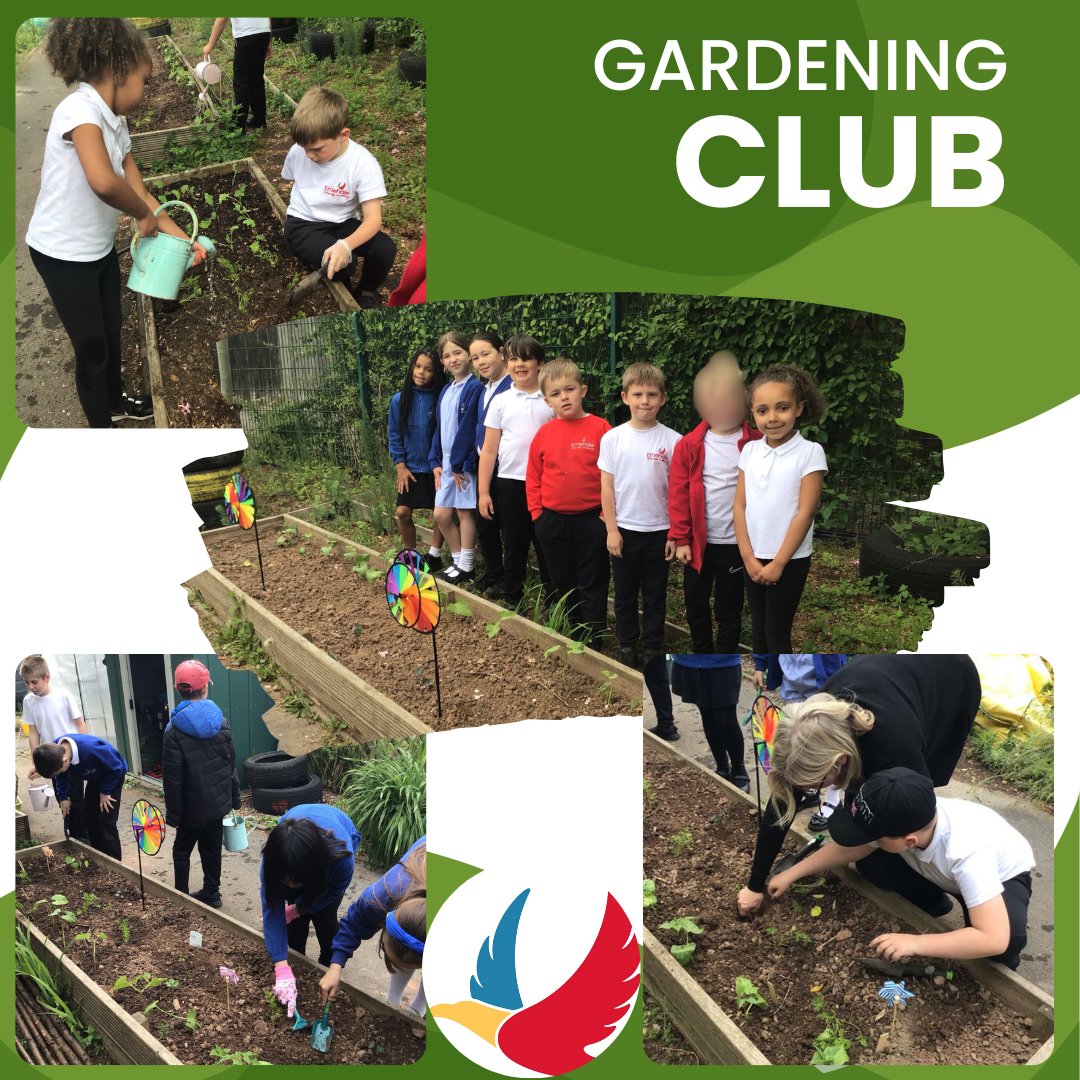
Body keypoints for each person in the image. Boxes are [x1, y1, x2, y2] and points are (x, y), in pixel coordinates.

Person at [25, 18, 208, 427]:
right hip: (59, 254)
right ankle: (102, 432)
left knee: (111, 333)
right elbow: (104, 181)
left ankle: (115, 400)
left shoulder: (116, 123)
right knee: (92, 349)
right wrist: (141, 215)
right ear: (118, 68)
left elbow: (142, 193)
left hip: (97, 250)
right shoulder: (79, 109)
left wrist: (186, 240)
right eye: (143, 80)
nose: (144, 93)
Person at [736, 654, 981, 917]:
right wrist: (755, 884)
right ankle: (932, 900)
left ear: (840, 761)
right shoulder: (810, 729)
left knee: (904, 816)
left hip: (950, 681)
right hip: (893, 681)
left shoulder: (893, 750)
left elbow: (922, 813)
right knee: (867, 835)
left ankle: (941, 899)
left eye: (813, 786)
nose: (808, 791)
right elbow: (783, 802)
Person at [769, 767, 1035, 970]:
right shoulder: (899, 812)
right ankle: (934, 904)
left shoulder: (967, 853)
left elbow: (993, 937)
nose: (864, 837)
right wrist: (791, 873)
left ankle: (1002, 964)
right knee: (872, 861)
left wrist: (916, 943)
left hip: (1002, 877)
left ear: (908, 841)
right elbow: (845, 850)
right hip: (941, 872)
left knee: (1003, 943)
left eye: (871, 834)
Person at [599, 362, 681, 730]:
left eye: (651, 395)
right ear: (625, 397)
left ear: (662, 399)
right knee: (626, 594)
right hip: (625, 531)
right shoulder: (613, 438)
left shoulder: (673, 441)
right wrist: (612, 530)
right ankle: (626, 646)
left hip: (659, 532)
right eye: (637, 394)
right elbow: (607, 488)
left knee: (656, 595)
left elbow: (677, 493)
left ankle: (653, 648)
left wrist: (675, 534)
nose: (644, 401)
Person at [668, 352, 762, 653]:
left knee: (729, 608)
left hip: (737, 544)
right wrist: (681, 538)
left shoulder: (757, 443)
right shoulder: (690, 445)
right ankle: (702, 654)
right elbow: (678, 493)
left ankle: (724, 658)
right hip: (698, 544)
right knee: (695, 604)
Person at [734, 363, 828, 654]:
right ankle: (766, 688)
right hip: (754, 558)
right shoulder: (750, 451)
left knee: (776, 631)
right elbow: (739, 506)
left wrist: (778, 564)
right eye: (762, 411)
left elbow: (805, 512)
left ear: (799, 408)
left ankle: (784, 691)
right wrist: (748, 557)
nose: (772, 418)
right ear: (753, 414)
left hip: (789, 561)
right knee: (758, 630)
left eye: (782, 408)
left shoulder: (810, 452)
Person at [280, 87, 397, 306]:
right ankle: (306, 250)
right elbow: (292, 180)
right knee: (345, 266)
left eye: (317, 149)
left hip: (343, 222)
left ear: (343, 135)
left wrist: (345, 245)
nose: (308, 155)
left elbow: (373, 219)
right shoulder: (299, 151)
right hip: (303, 223)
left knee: (385, 249)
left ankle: (367, 291)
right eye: (304, 148)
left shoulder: (362, 163)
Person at [526, 359, 612, 645]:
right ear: (548, 401)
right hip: (551, 521)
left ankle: (595, 636)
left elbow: (613, 477)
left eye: (570, 389)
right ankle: (572, 633)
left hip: (592, 521)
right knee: (562, 580)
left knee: (593, 580)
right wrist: (537, 513)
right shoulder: (544, 433)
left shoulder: (602, 429)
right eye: (556, 393)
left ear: (583, 390)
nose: (564, 397)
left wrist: (604, 516)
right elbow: (533, 477)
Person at [260, 805, 361, 1016]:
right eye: (285, 881)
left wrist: (298, 908)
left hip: (334, 840)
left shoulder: (341, 861)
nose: (291, 886)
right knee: (295, 926)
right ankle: (298, 963)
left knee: (325, 916)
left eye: (296, 882)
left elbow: (331, 892)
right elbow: (272, 909)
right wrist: (281, 966)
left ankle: (328, 963)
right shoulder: (274, 860)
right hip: (297, 856)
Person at [478, 334, 555, 606]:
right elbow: (488, 451)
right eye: (513, 359)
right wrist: (483, 492)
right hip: (509, 484)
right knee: (514, 543)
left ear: (540, 364)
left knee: (547, 543)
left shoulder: (551, 400)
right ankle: (513, 596)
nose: (519, 364)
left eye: (526, 358)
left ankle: (554, 600)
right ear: (506, 362)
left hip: (547, 485)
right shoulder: (500, 401)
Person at [162, 660, 241, 910]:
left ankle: (181, 898)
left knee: (181, 851)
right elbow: (230, 765)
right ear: (205, 688)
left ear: (179, 690)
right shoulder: (222, 721)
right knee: (211, 848)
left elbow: (173, 780)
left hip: (191, 810)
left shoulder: (173, 731)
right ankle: (212, 893)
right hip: (218, 803)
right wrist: (234, 798)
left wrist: (174, 815)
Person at [319, 836, 427, 1016]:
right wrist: (335, 965)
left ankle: (417, 1008)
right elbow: (354, 925)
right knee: (409, 948)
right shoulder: (385, 893)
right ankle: (392, 1003)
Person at [754, 653, 849, 831]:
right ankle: (809, 792)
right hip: (791, 685)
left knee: (827, 748)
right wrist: (761, 664)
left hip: (824, 687)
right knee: (796, 748)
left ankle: (833, 798)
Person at [429, 332, 483, 584]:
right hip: (446, 463)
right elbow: (439, 428)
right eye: (447, 355)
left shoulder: (474, 388)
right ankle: (458, 559)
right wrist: (435, 462)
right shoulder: (446, 389)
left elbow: (468, 430)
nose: (453, 359)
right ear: (442, 362)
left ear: (468, 355)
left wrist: (461, 464)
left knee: (463, 512)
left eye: (458, 352)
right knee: (440, 514)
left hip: (463, 464)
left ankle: (467, 566)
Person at [21, 655, 90, 843]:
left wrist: (80, 754)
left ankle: (84, 840)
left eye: (34, 682)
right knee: (62, 799)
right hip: (51, 760)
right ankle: (71, 837)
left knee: (76, 800)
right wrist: (37, 762)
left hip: (69, 758)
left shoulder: (64, 696)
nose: (31, 687)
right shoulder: (29, 701)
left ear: (47, 677)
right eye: (27, 683)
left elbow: (80, 725)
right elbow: (33, 732)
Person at [388, 347, 446, 568]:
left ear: (436, 373)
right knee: (402, 512)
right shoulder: (399, 400)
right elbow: (394, 434)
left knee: (440, 513)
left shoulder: (440, 398)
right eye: (418, 366)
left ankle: (435, 554)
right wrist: (400, 465)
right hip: (410, 468)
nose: (421, 372)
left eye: (428, 369)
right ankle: (411, 554)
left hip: (435, 468)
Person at [32, 734, 127, 860]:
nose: (60, 773)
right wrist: (63, 798)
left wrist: (105, 792)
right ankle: (98, 855)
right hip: (94, 777)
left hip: (112, 775)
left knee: (106, 821)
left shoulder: (92, 750)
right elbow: (61, 775)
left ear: (65, 760)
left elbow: (117, 768)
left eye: (59, 770)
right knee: (90, 816)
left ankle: (114, 861)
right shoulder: (55, 750)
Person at [468, 333, 512, 597]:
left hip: (504, 467)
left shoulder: (512, 386)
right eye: (475, 357)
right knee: (485, 523)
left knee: (504, 525)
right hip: (484, 466)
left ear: (500, 352)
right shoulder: (486, 388)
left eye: (485, 354)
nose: (481, 362)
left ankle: (508, 579)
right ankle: (494, 573)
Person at [669, 654, 748, 788]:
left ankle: (738, 768)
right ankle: (722, 766)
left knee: (726, 718)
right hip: (689, 662)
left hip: (723, 664)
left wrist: (760, 664)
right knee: (707, 714)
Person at [203, 18, 272, 132]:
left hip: (246, 36)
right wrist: (268, 41)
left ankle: (237, 126)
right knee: (257, 78)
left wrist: (210, 45)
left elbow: (222, 18)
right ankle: (259, 119)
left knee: (241, 82)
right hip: (263, 33)